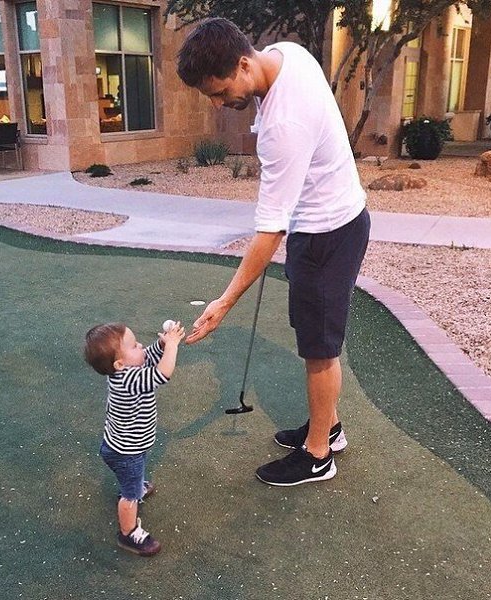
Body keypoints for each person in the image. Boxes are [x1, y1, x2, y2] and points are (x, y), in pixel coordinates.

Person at [177, 18, 370, 486]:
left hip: (328, 232)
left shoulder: (283, 124)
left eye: (220, 92)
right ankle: (328, 426)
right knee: (311, 333)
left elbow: (269, 231)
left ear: (244, 64)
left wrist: (225, 302)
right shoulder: (286, 53)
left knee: (320, 350)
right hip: (325, 223)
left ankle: (319, 454)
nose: (219, 104)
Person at [84, 321, 185, 556]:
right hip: (126, 452)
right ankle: (128, 533)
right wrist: (172, 346)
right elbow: (162, 373)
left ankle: (135, 485)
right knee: (130, 495)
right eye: (133, 345)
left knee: (134, 476)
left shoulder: (125, 370)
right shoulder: (127, 381)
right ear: (120, 364)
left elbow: (147, 357)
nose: (140, 345)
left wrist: (161, 344)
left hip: (125, 446)